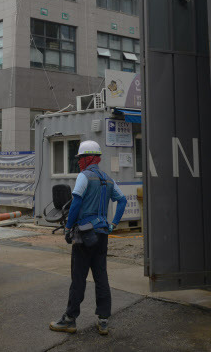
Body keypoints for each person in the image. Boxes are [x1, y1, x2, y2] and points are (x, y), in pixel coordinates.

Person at [50, 140, 127, 337]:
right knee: (101, 277)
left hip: (84, 236)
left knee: (78, 278)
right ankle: (103, 321)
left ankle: (69, 319)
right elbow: (122, 200)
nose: (80, 161)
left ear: (90, 158)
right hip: (102, 235)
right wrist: (114, 224)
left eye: (81, 158)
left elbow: (75, 204)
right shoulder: (108, 180)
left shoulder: (84, 177)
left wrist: (68, 228)